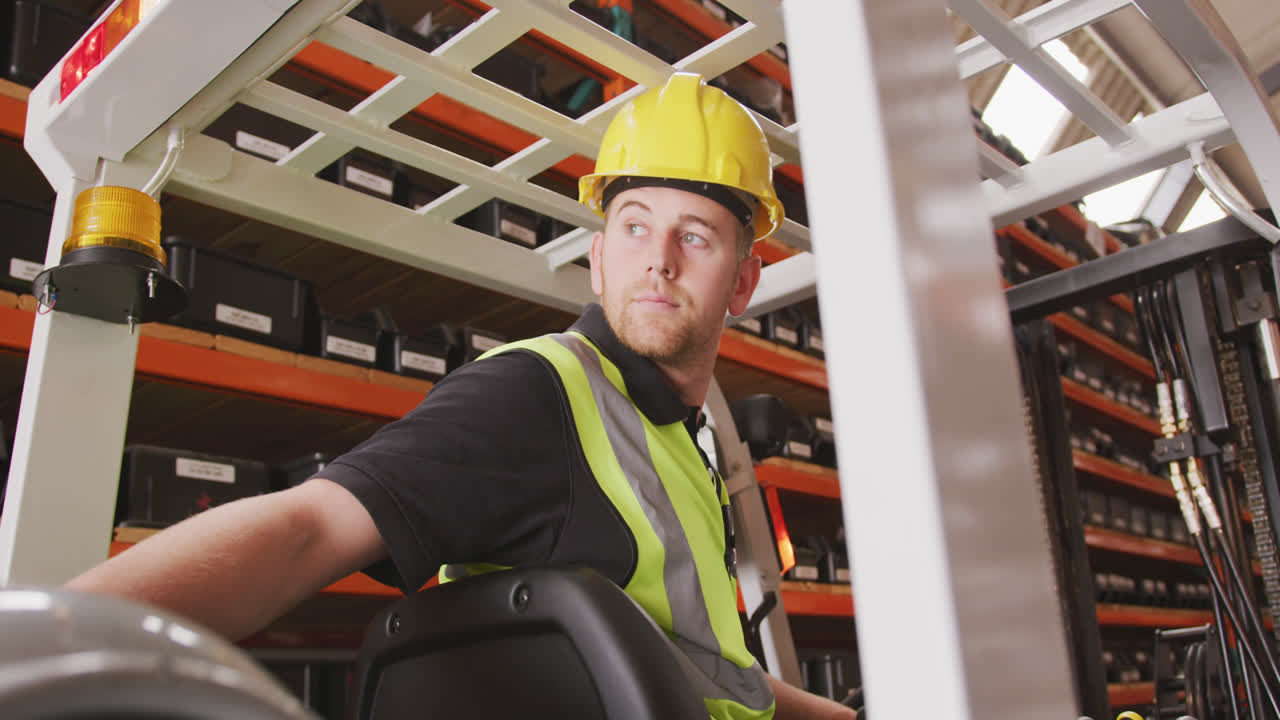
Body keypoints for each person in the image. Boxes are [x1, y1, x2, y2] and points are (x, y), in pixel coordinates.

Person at [66, 72, 856, 720]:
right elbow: (304, 529)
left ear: (744, 281)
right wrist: (47, 642)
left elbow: (712, 675)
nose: (658, 262)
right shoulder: (539, 393)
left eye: (694, 236)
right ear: (599, 257)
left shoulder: (683, 440)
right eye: (634, 227)